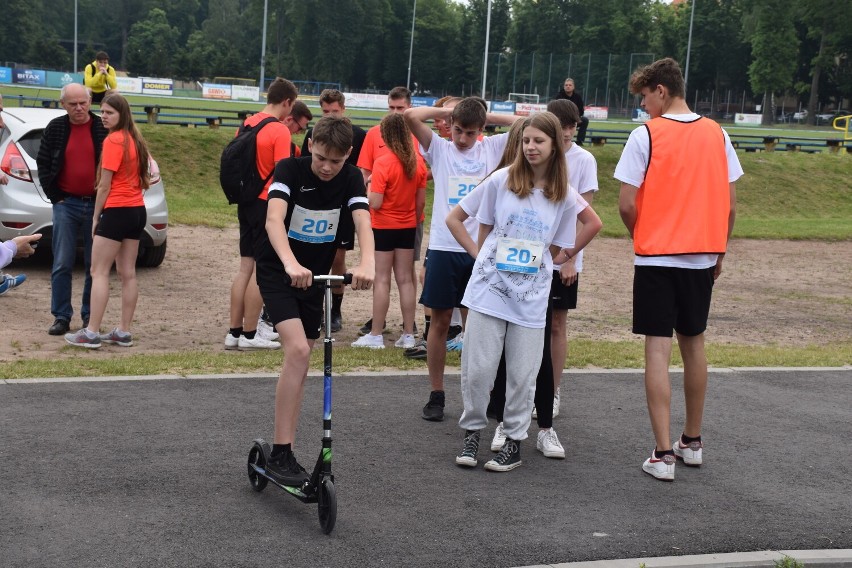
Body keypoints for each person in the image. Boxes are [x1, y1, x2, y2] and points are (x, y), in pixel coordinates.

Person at [446, 111, 602, 472]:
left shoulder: (562, 194)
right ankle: (472, 435)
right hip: (488, 293)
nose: (531, 147)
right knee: (478, 369)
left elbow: (593, 223)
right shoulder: (501, 180)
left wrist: (563, 256)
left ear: (554, 146)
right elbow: (456, 218)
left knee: (522, 373)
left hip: (530, 300)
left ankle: (514, 443)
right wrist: (479, 254)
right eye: (526, 140)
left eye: (539, 141)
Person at [614, 57, 741, 482]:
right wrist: (718, 251)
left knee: (657, 348)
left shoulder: (645, 135)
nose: (644, 106)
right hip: (702, 255)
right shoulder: (718, 133)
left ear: (661, 91)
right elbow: (731, 205)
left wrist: (642, 236)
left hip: (657, 256)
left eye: (645, 97)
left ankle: (663, 453)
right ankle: (693, 441)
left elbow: (626, 203)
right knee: (694, 345)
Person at [256, 116, 374, 484]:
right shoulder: (289, 169)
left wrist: (367, 262)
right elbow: (274, 220)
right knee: (299, 352)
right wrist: (290, 262)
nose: (326, 167)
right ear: (310, 145)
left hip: (316, 278)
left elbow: (363, 221)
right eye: (321, 157)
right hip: (279, 272)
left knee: (301, 364)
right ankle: (281, 452)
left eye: (335, 161)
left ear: (348, 156)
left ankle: (284, 448)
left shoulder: (352, 178)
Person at [404, 97, 519, 421]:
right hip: (444, 248)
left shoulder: (492, 148)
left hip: (481, 250)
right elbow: (411, 116)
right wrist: (449, 112)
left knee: (478, 328)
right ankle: (437, 393)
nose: (462, 139)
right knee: (439, 323)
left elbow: (525, 124)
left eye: (470, 133)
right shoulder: (440, 150)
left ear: (482, 130)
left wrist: (485, 115)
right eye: (457, 131)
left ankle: (478, 395)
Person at [64, 93, 150, 348]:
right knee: (127, 273)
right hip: (136, 211)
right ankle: (123, 331)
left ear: (121, 114)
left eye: (109, 112)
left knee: (98, 271)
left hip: (118, 210)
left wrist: (95, 216)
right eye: (102, 111)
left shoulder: (114, 140)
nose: (103, 116)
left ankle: (91, 332)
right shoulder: (135, 139)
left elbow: (104, 184)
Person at [225, 78, 298, 351]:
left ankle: (233, 332)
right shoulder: (279, 130)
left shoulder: (247, 123)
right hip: (267, 203)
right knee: (260, 270)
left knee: (245, 267)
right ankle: (250, 333)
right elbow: (283, 172)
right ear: (287, 102)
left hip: (245, 201)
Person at [36, 84, 109, 336]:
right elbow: (43, 162)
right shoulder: (55, 128)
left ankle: (90, 315)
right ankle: (61, 316)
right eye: (72, 104)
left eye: (83, 103)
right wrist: (55, 197)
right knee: (62, 262)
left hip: (97, 204)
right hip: (66, 204)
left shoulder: (102, 127)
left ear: (90, 102)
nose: (79, 108)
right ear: (63, 105)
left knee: (94, 264)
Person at [352, 113, 426, 350]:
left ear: (385, 135)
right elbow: (421, 202)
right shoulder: (417, 161)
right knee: (406, 279)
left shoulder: (383, 162)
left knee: (382, 279)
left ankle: (376, 334)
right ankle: (408, 333)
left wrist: (370, 184)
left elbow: (374, 202)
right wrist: (410, 220)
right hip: (407, 226)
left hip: (383, 226)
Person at [544, 99, 599, 418]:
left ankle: (552, 389)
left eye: (572, 126)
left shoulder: (584, 160)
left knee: (557, 325)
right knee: (527, 326)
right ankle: (527, 386)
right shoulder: (539, 154)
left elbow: (585, 216)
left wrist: (569, 259)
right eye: (562, 125)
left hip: (564, 257)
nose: (567, 132)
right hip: (533, 255)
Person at [301, 89, 367, 332]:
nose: (330, 115)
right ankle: (311, 304)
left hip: (343, 207)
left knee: (338, 257)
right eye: (325, 111)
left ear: (344, 109)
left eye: (335, 111)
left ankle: (335, 308)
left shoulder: (359, 136)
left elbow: (363, 170)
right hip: (314, 205)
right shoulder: (313, 134)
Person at [553, 78, 589, 146]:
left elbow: (581, 110)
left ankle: (580, 141)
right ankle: (559, 140)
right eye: (566, 85)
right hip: (562, 119)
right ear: (564, 86)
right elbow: (556, 110)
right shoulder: (559, 96)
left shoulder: (577, 97)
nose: (568, 86)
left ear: (573, 87)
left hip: (574, 119)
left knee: (584, 120)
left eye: (570, 85)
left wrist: (575, 117)